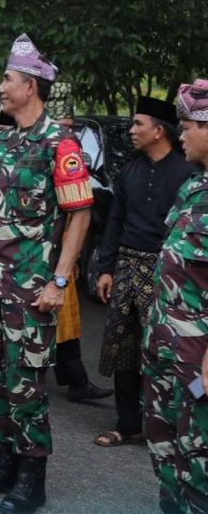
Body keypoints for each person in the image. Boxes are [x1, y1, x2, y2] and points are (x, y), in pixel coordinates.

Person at [0, 35, 92, 514]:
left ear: (30, 86)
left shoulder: (61, 142)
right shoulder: (4, 140)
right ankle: (3, 462)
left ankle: (32, 477)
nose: (0, 87)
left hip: (32, 288)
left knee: (26, 382)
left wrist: (59, 281)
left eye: (7, 79)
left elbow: (79, 215)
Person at [91, 96, 197, 448]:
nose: (132, 130)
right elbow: (115, 222)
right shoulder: (130, 170)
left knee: (161, 350)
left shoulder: (187, 173)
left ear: (158, 130)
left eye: (138, 124)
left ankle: (164, 424)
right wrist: (105, 267)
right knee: (124, 346)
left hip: (163, 273)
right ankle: (128, 423)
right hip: (126, 266)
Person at [143, 79, 208, 514]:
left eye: (187, 126)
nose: (180, 134)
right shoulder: (194, 188)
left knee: (201, 466)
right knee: (167, 453)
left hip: (199, 357)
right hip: (166, 347)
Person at [44, 81, 112, 404]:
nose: (68, 134)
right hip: (44, 252)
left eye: (72, 128)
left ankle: (75, 380)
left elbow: (79, 212)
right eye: (64, 127)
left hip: (61, 253)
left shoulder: (68, 152)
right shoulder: (48, 149)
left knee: (65, 319)